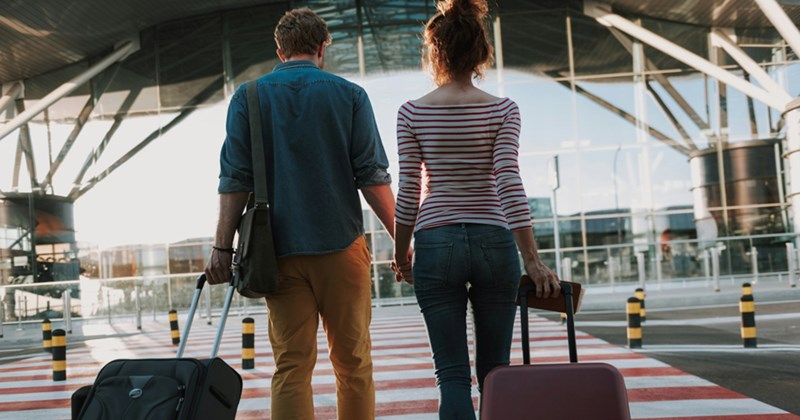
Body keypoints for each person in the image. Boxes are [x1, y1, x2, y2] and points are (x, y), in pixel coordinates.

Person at [204, 8, 395, 420]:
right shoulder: (350, 95)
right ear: (323, 46)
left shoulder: (248, 97)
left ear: (280, 50)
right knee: (355, 366)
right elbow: (372, 176)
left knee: (291, 369)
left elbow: (234, 179)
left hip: (279, 254)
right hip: (342, 249)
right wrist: (403, 238)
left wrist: (222, 247)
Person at [392, 0, 561, 418]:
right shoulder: (503, 110)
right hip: (494, 240)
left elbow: (410, 190)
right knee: (495, 372)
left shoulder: (411, 113)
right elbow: (507, 180)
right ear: (481, 52)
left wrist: (400, 255)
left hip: (435, 242)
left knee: (450, 375)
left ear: (435, 52)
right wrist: (533, 261)